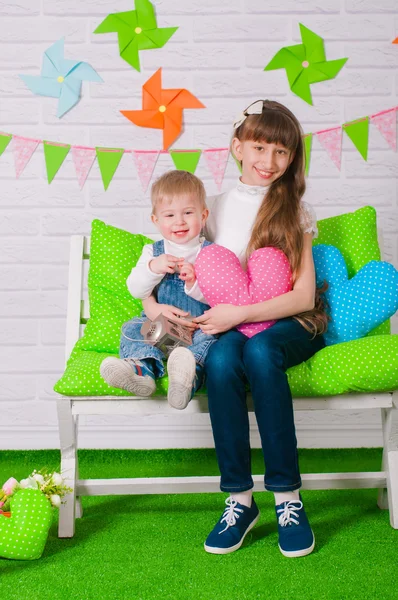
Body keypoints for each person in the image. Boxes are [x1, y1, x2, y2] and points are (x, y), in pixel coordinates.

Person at [142, 100, 328, 558]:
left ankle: (287, 498)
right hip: (229, 326)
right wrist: (157, 308)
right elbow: (182, 274)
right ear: (237, 148)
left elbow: (304, 298)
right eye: (260, 147)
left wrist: (239, 316)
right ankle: (239, 500)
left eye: (282, 152)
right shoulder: (213, 209)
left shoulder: (295, 210)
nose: (269, 161)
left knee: (262, 353)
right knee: (223, 360)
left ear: (292, 159)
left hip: (290, 324)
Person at [100, 170, 217, 410]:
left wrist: (195, 283)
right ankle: (142, 371)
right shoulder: (152, 252)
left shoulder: (212, 253)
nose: (179, 221)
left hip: (199, 329)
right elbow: (135, 289)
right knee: (134, 327)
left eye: (188, 213)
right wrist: (154, 268)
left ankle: (186, 378)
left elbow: (221, 296)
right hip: (166, 331)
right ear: (156, 220)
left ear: (203, 215)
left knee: (215, 341)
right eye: (170, 215)